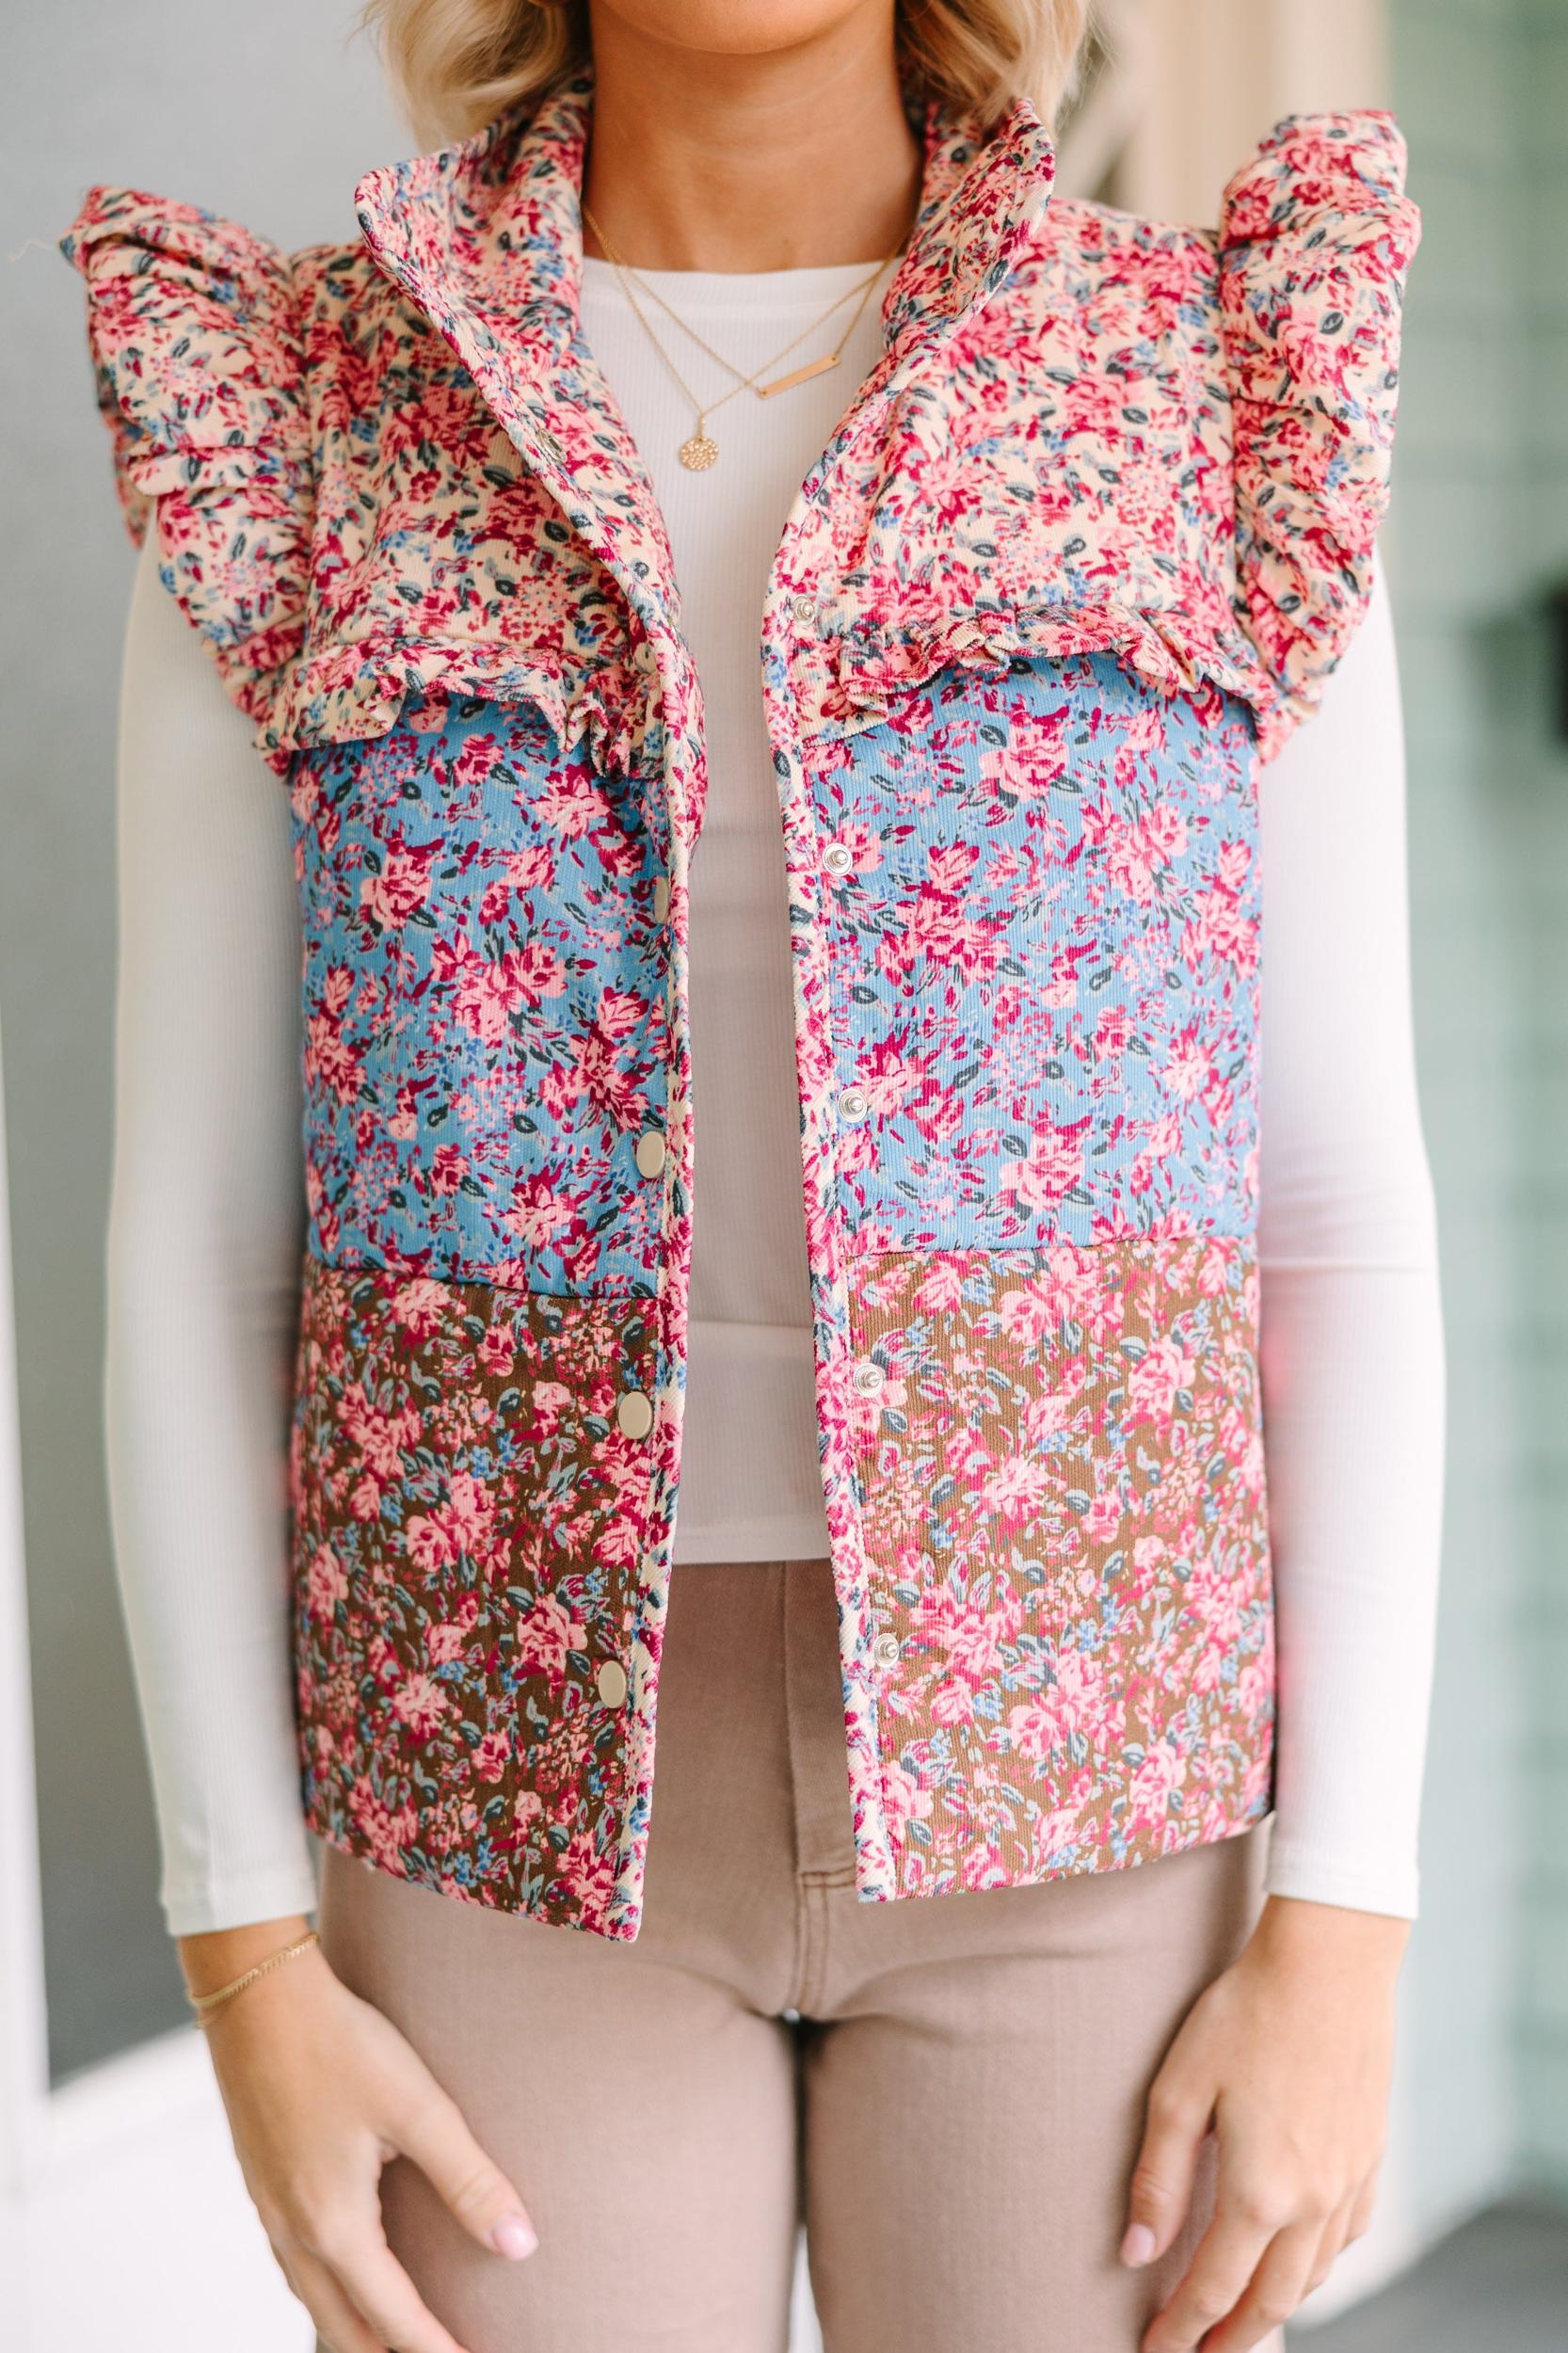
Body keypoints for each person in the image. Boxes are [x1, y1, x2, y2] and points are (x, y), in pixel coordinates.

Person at [62, 4, 1443, 2348]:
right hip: (490, 1809)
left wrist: (1343, 1917)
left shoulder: (1197, 385)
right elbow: (200, 1244)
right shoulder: (307, 411)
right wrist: (247, 1955)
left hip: (1087, 1790)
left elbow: (1331, 1206)